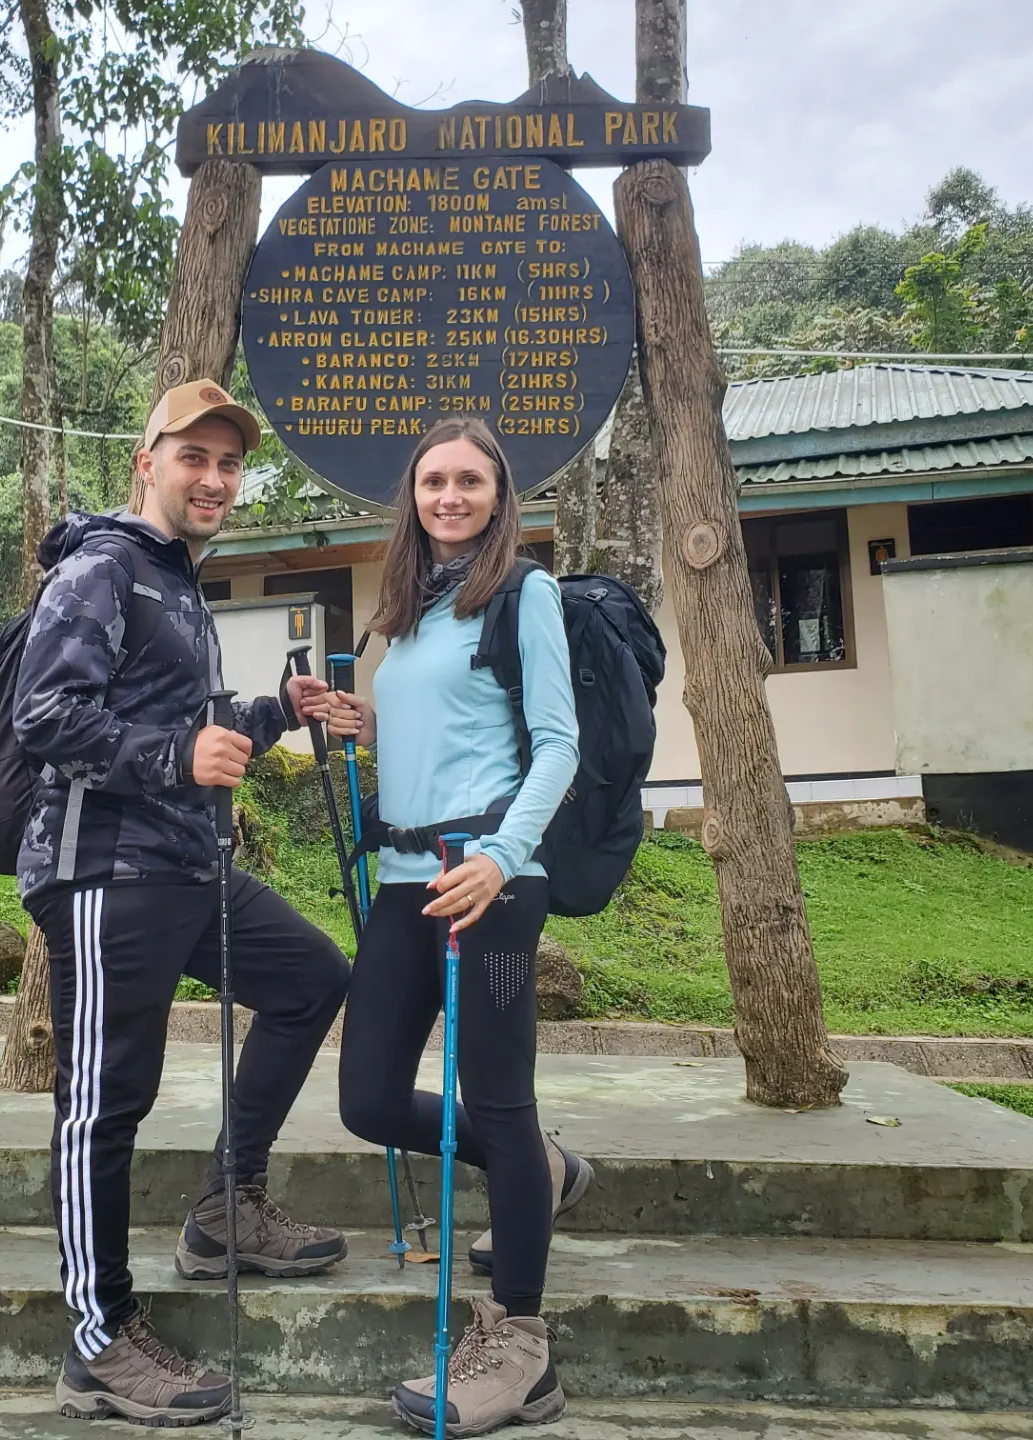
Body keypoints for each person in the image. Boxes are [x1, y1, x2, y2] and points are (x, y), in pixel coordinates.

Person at [13, 379, 351, 1427]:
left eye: (228, 462)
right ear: (146, 461)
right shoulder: (103, 566)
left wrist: (270, 712)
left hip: (184, 865)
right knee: (103, 1109)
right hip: (108, 873)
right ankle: (97, 1343)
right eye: (193, 456)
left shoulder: (175, 580)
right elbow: (45, 714)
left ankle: (223, 1209)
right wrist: (172, 754)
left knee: (309, 978)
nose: (213, 478)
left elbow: (189, 722)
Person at [310, 417, 592, 1436]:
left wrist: (502, 858)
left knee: (500, 1102)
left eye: (469, 480)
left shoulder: (526, 594)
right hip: (401, 877)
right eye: (433, 481)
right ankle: (545, 1173)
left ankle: (519, 1347)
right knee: (367, 1097)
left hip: (490, 882)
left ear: (498, 492)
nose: (449, 496)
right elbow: (438, 725)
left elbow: (556, 747)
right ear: (413, 495)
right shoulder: (409, 609)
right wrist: (361, 721)